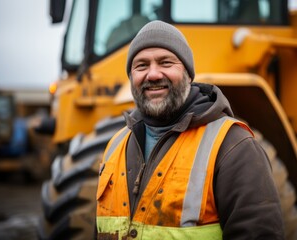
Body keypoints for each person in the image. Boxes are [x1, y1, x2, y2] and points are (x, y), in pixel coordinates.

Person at [96, 20, 284, 240]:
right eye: (141, 65)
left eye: (166, 63)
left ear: (188, 74)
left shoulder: (234, 147)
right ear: (131, 78)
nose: (153, 74)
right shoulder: (115, 146)